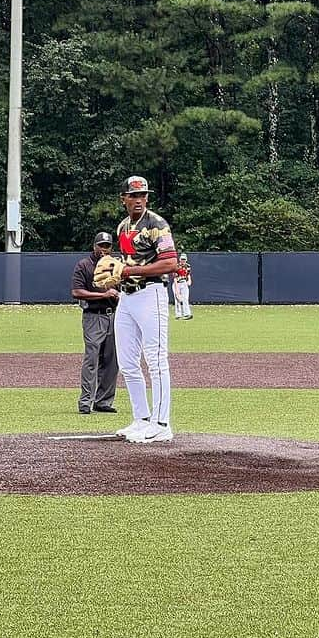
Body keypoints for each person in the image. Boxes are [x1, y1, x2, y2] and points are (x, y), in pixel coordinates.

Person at [110, 176, 179, 444]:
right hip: (127, 297)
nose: (138, 200)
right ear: (123, 199)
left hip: (151, 295)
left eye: (142, 195)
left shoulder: (157, 224)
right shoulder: (123, 226)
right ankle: (141, 419)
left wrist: (130, 271)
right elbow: (126, 262)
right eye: (133, 195)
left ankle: (162, 424)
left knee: (156, 360)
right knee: (127, 362)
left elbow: (170, 263)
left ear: (147, 198)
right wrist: (116, 274)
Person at [70, 232, 120, 415]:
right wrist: (103, 295)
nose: (104, 249)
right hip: (93, 315)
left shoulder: (116, 265)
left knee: (112, 360)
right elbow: (76, 292)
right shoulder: (84, 265)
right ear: (94, 246)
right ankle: (85, 402)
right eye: (101, 245)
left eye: (107, 246)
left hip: (114, 315)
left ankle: (103, 401)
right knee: (91, 358)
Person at [172, 254, 193, 320]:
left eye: (184, 259)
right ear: (180, 259)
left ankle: (187, 314)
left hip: (184, 283)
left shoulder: (188, 266)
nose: (183, 261)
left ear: (186, 260)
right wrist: (177, 291)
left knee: (185, 298)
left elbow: (188, 274)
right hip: (177, 283)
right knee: (177, 299)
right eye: (182, 259)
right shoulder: (176, 266)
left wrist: (189, 280)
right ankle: (178, 315)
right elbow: (175, 278)